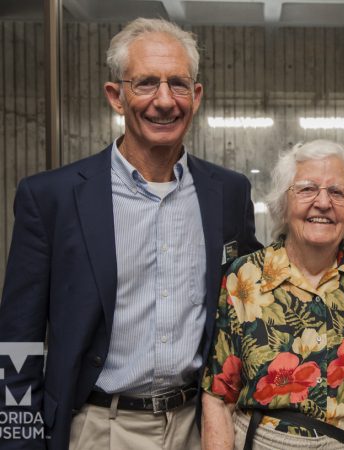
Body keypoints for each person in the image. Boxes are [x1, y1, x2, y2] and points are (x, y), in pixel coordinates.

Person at [0, 18, 261, 450]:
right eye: (146, 83)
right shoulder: (52, 198)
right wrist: (18, 441)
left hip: (197, 426)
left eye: (178, 84)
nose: (164, 100)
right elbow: (16, 341)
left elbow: (247, 307)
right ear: (116, 96)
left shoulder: (229, 194)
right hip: (97, 429)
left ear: (196, 96)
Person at [200, 140, 344, 449]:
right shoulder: (244, 278)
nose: (323, 203)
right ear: (283, 203)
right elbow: (219, 397)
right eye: (307, 189)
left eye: (337, 192)